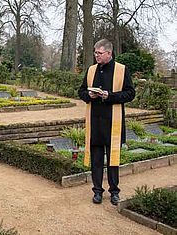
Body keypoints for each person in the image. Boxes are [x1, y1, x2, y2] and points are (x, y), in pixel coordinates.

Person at [78, 39, 135, 205]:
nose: (96, 55)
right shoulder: (90, 70)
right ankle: (97, 191)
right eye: (95, 53)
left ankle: (114, 191)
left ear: (109, 53)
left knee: (113, 160)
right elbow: (81, 91)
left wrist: (109, 96)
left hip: (113, 123)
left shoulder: (122, 70)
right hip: (95, 123)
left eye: (99, 53)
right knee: (96, 160)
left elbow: (130, 94)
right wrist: (89, 95)